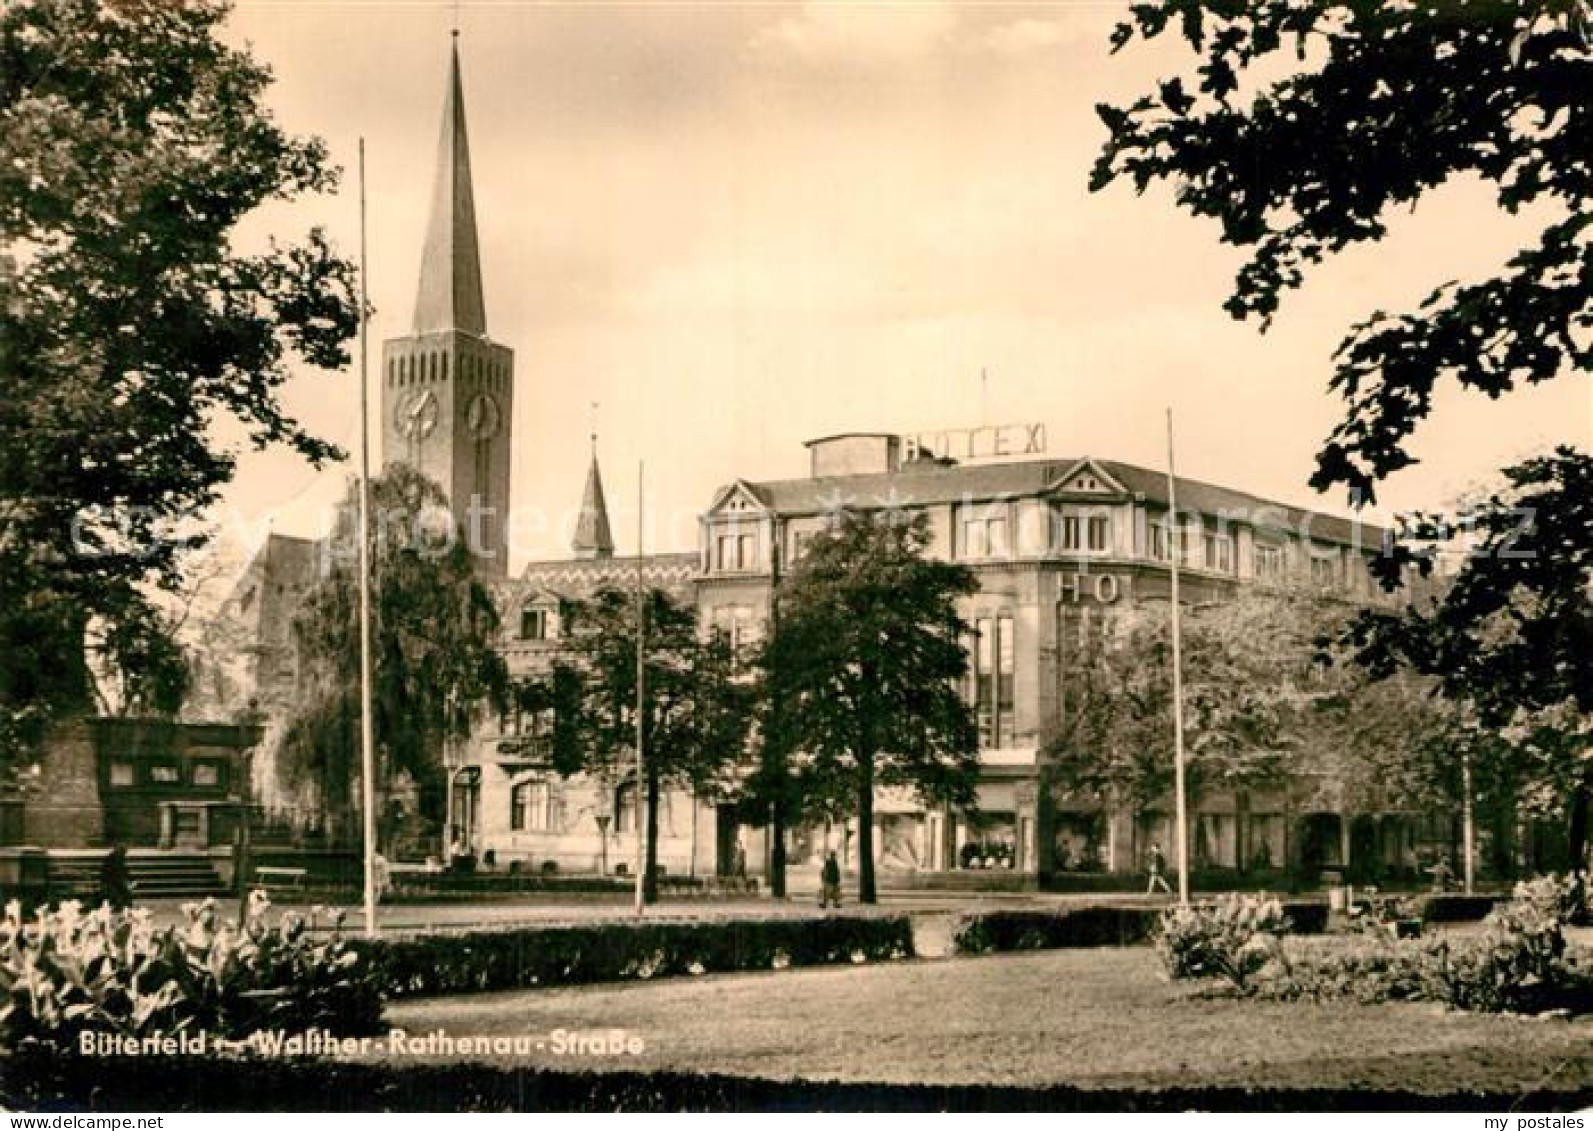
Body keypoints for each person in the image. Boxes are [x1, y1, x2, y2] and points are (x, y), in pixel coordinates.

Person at [98, 843, 133, 910]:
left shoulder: (117, 857)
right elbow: (117, 871)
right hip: (110, 881)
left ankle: (123, 904)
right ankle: (121, 904)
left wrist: (128, 879)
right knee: (122, 889)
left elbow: (123, 870)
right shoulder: (115, 858)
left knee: (124, 889)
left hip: (114, 880)